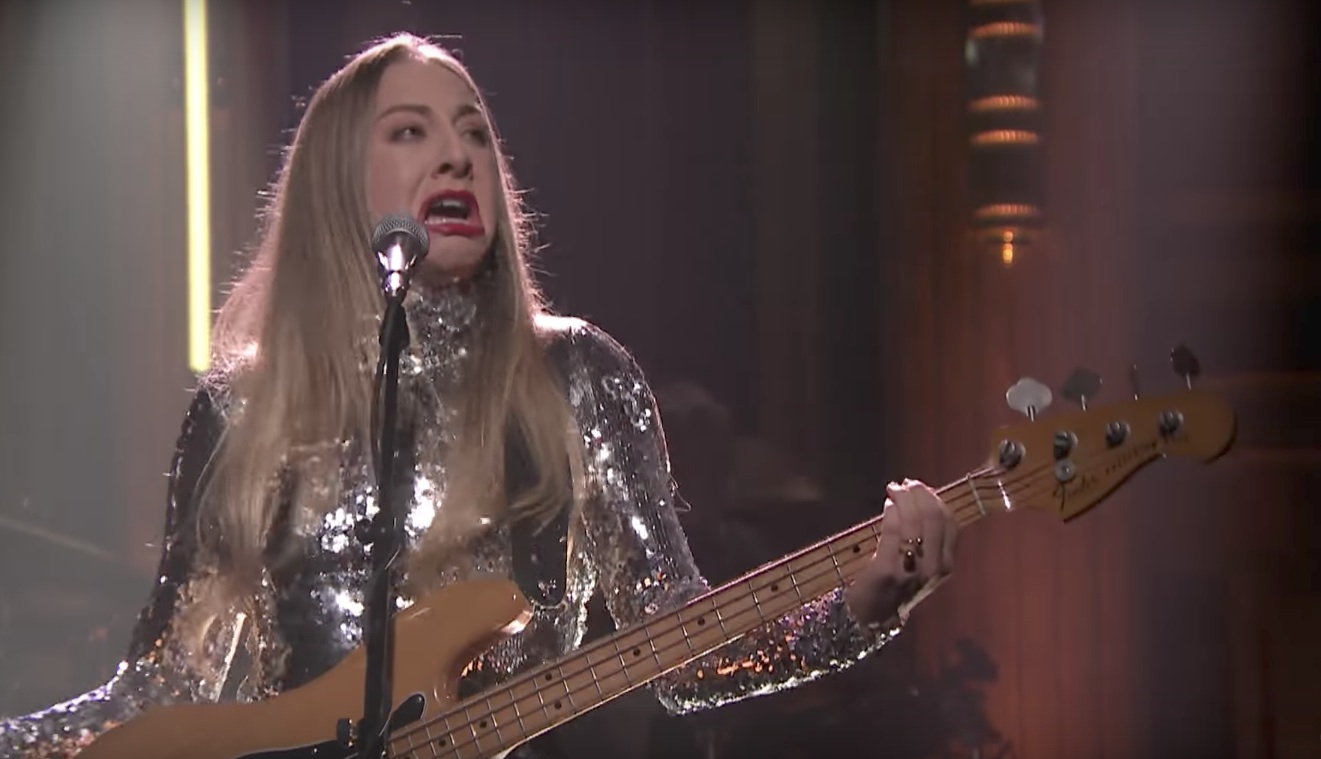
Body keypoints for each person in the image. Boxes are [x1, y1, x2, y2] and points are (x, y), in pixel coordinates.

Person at [0, 33, 959, 758]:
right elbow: (162, 687)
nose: (458, 156)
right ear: (338, 181)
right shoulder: (238, 415)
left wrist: (857, 606)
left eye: (473, 134)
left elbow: (680, 651)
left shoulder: (576, 378)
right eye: (410, 131)